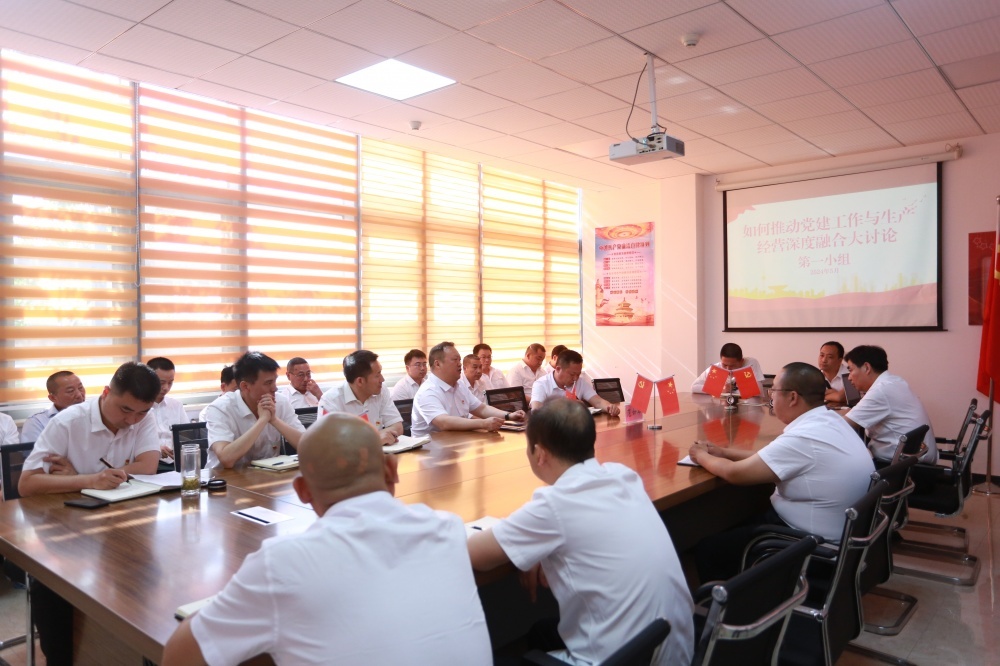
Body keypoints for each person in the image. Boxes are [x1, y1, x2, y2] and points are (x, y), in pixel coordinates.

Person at [162, 414, 492, 666]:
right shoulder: (445, 528)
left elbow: (179, 656)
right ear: (392, 469)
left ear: (302, 491)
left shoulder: (283, 563)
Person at [467, 399, 693, 666]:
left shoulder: (554, 506)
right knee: (541, 632)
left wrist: (530, 542)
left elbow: (472, 554)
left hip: (624, 659)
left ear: (539, 453)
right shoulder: (623, 476)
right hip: (674, 652)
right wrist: (534, 546)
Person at [689, 362, 874, 581]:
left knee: (709, 549)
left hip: (811, 547)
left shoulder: (805, 437)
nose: (770, 397)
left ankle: (736, 601)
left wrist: (700, 455)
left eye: (774, 391)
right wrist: (723, 452)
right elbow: (770, 456)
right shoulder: (829, 420)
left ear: (792, 397)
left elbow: (735, 473)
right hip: (841, 539)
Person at [19, 361, 162, 496]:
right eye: (125, 410)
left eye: (141, 412)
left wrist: (78, 478)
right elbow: (26, 484)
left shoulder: (146, 417)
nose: (131, 420)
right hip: (70, 508)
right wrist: (91, 481)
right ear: (106, 393)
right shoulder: (66, 422)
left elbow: (148, 467)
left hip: (123, 505)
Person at [204, 352, 305, 469]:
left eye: (274, 381)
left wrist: (274, 420)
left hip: (268, 475)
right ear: (245, 386)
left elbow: (307, 446)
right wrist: (262, 420)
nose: (275, 388)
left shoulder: (280, 402)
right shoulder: (220, 408)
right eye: (268, 383)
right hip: (224, 477)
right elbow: (226, 459)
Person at [843, 345, 936, 463]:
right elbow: (851, 416)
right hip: (914, 458)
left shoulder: (881, 390)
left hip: (902, 467)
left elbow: (843, 424)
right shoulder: (894, 381)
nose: (849, 378)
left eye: (850, 370)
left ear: (866, 367)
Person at [412, 342, 525, 437]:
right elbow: (443, 422)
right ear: (438, 364)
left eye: (459, 360)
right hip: (429, 450)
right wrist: (483, 423)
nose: (459, 364)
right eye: (455, 360)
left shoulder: (459, 385)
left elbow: (481, 408)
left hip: (458, 442)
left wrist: (508, 415)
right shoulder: (427, 391)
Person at [319, 350, 403, 446]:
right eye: (377, 375)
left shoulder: (381, 390)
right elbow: (328, 443)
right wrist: (374, 439)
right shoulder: (330, 401)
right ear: (360, 381)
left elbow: (397, 426)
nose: (382, 379)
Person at [530, 349, 620, 416]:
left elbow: (598, 402)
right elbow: (536, 411)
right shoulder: (541, 384)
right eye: (572, 374)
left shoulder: (580, 382)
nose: (575, 378)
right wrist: (566, 407)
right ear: (558, 369)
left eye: (578, 374)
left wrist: (609, 407)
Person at [20, 370, 86, 443]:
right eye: (70, 391)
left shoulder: (93, 413)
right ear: (53, 398)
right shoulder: (38, 422)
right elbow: (34, 450)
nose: (79, 395)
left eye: (80, 388)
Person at [147, 357, 190, 458]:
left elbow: (187, 436)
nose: (166, 387)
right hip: (151, 459)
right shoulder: (138, 408)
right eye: (161, 383)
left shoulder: (176, 405)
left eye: (170, 382)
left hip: (175, 460)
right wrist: (155, 449)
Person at [691, 342, 764, 396]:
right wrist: (720, 389)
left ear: (742, 361)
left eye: (733, 365)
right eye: (725, 365)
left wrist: (731, 391)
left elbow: (757, 391)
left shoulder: (750, 363)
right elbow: (694, 387)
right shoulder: (717, 368)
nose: (728, 369)